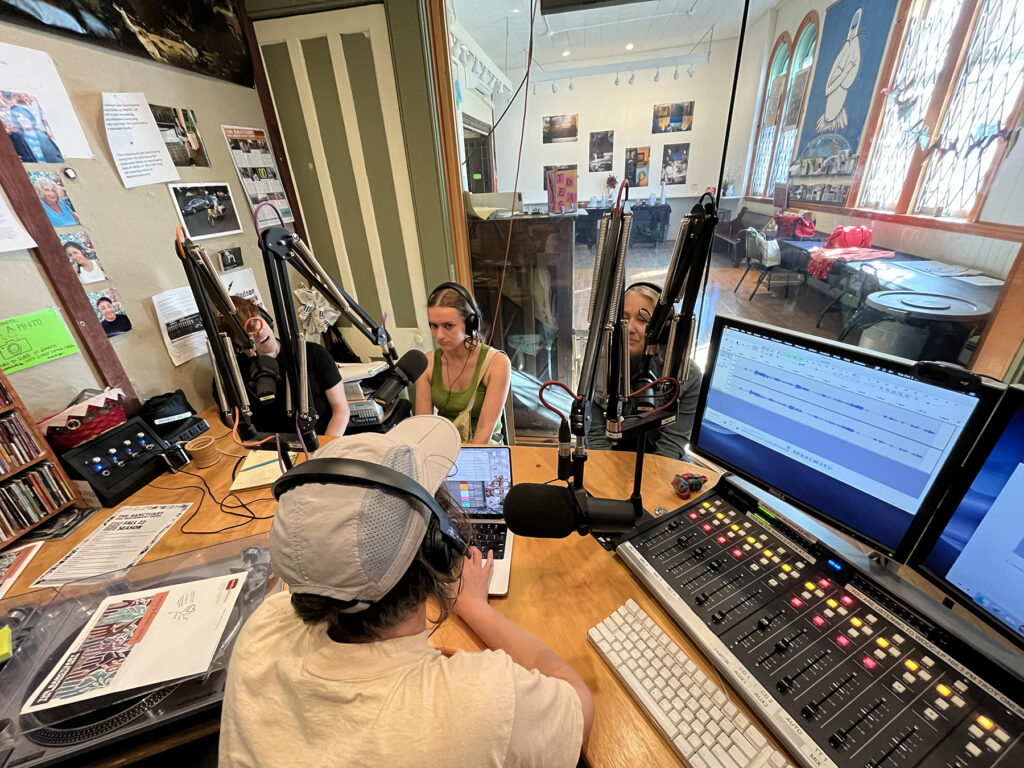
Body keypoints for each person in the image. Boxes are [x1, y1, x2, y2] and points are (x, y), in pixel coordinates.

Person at [219, 416, 592, 766]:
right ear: (439, 552)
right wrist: (477, 610)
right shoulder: (478, 702)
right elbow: (578, 707)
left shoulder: (263, 626)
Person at [588, 282, 702, 460]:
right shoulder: (599, 365)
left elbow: (671, 448)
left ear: (664, 330)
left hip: (660, 464)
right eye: (624, 318)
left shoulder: (688, 376)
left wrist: (647, 486)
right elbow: (596, 439)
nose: (630, 328)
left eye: (642, 320)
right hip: (611, 460)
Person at [215, 295, 349, 437]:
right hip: (269, 453)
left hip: (322, 444)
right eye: (247, 333)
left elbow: (341, 410)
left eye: (256, 323)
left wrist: (324, 451)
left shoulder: (312, 353)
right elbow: (233, 429)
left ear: (266, 320)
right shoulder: (231, 375)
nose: (259, 333)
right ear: (236, 345)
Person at [415, 283, 511, 444]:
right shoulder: (427, 363)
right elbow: (424, 425)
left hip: (483, 446)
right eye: (434, 326)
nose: (439, 335)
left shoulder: (497, 363)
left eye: (448, 326)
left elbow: (484, 430)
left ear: (470, 324)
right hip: (444, 445)